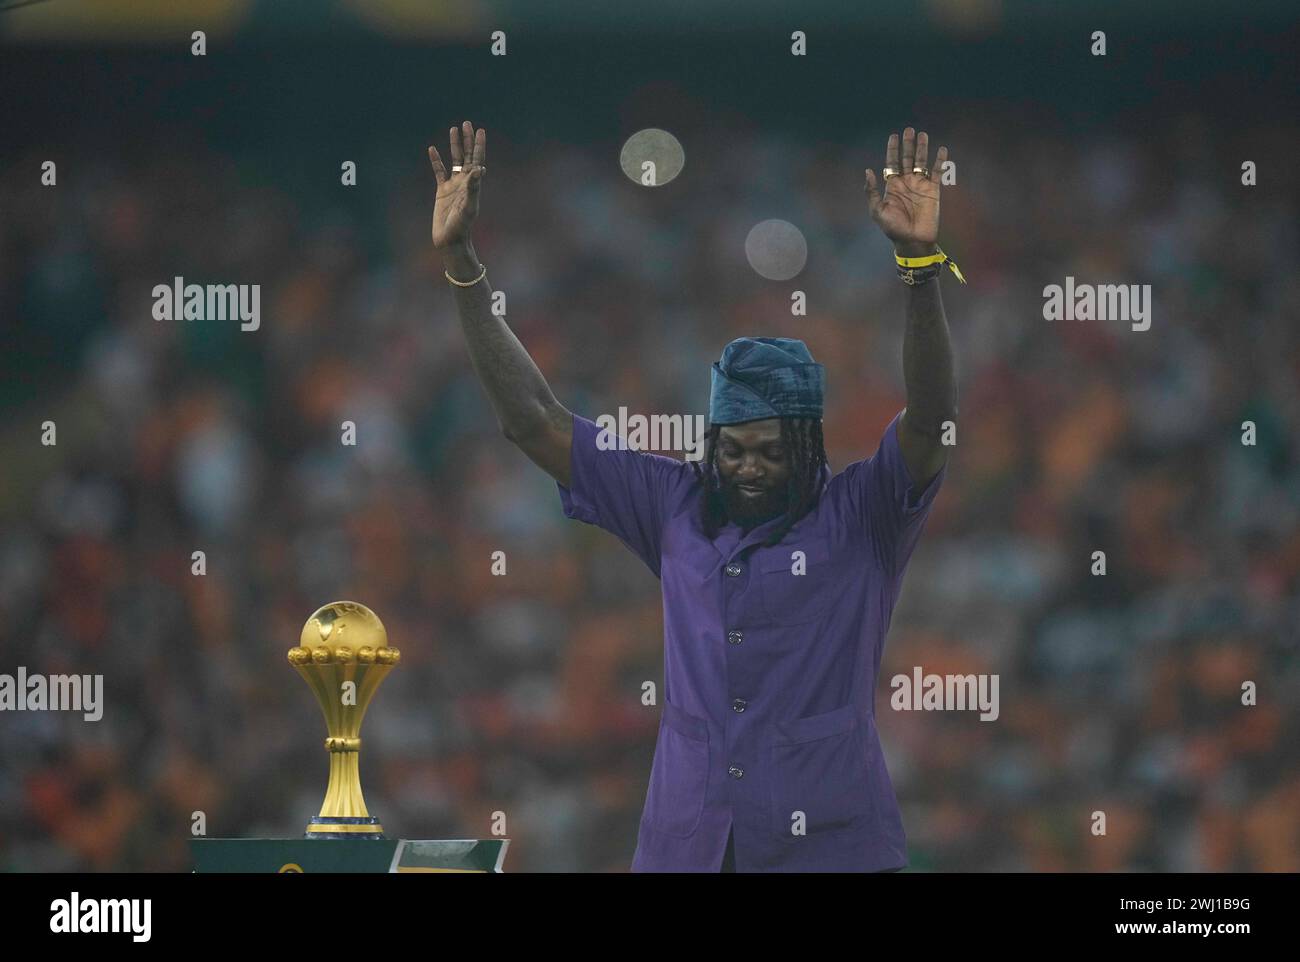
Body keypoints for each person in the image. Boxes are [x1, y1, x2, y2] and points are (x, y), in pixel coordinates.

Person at [431, 120, 958, 871]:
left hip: (832, 847)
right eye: (733, 449)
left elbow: (934, 418)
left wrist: (920, 266)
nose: (747, 468)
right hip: (689, 845)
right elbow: (533, 422)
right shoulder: (673, 503)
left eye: (771, 453)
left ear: (809, 451)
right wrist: (463, 266)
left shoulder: (863, 514)